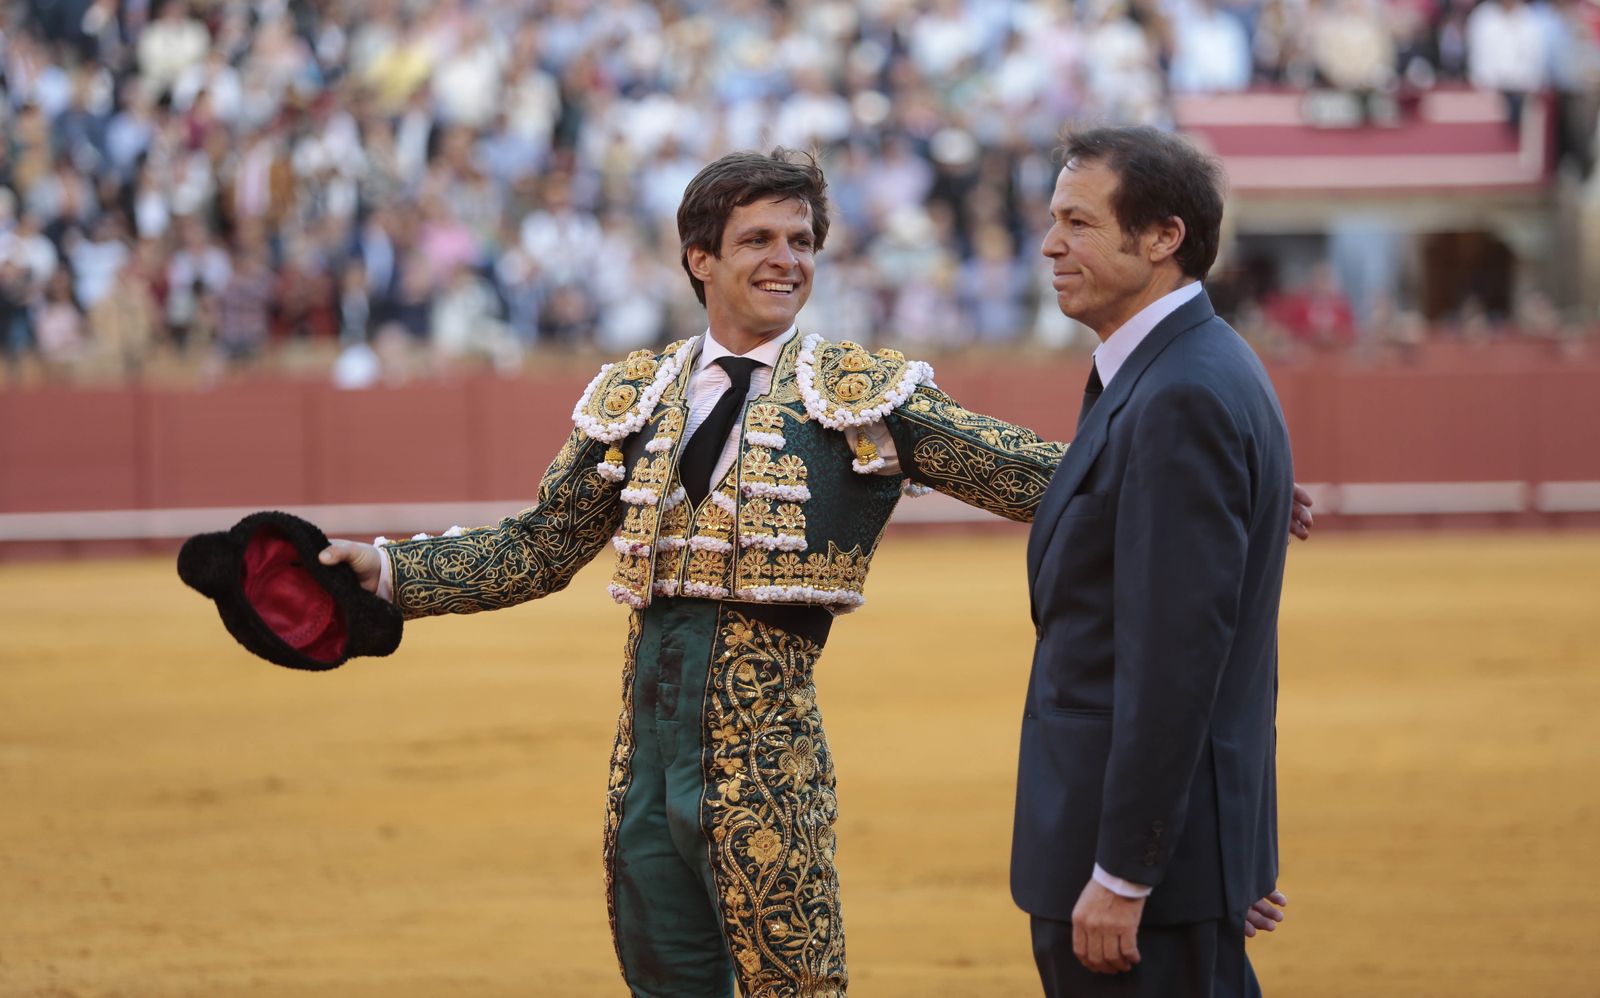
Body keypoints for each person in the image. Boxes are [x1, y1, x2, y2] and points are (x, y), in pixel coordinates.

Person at [318, 148, 1309, 996]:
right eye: (758, 240)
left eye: (801, 242)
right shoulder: (639, 391)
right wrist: (394, 571)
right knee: (662, 975)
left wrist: (1223, 481)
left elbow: (1041, 474)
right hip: (642, 762)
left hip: (768, 761)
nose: (785, 260)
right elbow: (538, 545)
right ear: (699, 257)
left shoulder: (858, 394)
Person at [1017, 126, 1295, 996]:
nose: (1052, 244)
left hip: (1136, 875)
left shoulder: (1179, 395)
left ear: (1163, 238)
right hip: (1176, 860)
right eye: (1053, 220)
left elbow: (1176, 665)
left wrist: (1128, 873)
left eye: (1080, 223)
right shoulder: (1193, 368)